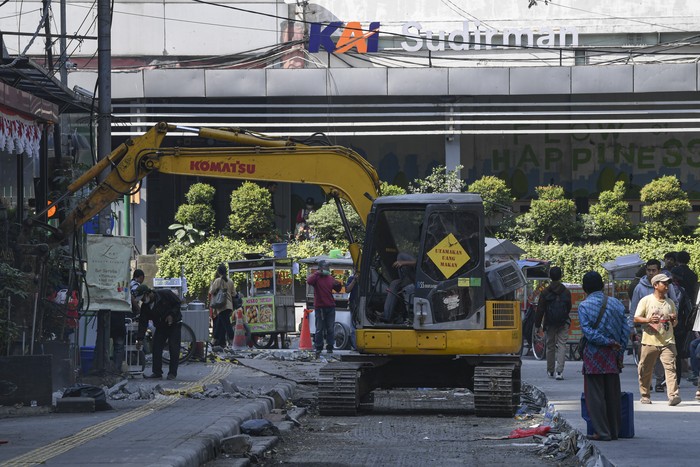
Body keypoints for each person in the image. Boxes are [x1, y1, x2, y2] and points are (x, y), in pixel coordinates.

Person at [578, 271, 630, 441]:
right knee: (613, 394)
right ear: (601, 285)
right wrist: (619, 351)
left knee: (595, 396)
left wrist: (607, 342)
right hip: (613, 354)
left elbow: (588, 332)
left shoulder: (584, 306)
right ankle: (614, 431)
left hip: (594, 355)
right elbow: (625, 330)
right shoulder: (617, 304)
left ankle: (602, 432)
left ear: (585, 288)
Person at [629, 258, 679, 392]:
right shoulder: (640, 288)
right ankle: (646, 384)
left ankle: (660, 382)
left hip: (664, 330)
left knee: (666, 361)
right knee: (645, 360)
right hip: (643, 329)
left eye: (654, 270)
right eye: (649, 270)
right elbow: (634, 309)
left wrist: (673, 316)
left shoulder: (668, 286)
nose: (651, 273)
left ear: (659, 271)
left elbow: (674, 303)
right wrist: (632, 327)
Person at [133, 285, 183, 380]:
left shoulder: (165, 294)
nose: (143, 300)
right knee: (156, 347)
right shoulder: (145, 306)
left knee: (173, 348)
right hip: (160, 326)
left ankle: (172, 373)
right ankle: (157, 372)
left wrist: (171, 315)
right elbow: (143, 322)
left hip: (174, 325)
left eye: (143, 298)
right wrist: (139, 338)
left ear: (148, 293)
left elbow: (177, 303)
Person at [534, 266, 572, 380]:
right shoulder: (566, 291)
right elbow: (568, 307)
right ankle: (559, 372)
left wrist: (537, 325)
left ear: (550, 277)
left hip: (550, 322)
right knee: (562, 345)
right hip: (563, 322)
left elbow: (540, 310)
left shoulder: (545, 292)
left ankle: (550, 371)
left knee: (550, 346)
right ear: (561, 276)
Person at [307, 260, 342, 358]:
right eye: (325, 268)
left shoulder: (330, 278)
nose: (327, 269)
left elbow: (338, 289)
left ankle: (330, 347)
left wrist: (337, 283)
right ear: (320, 268)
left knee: (330, 328)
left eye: (328, 268)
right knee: (319, 328)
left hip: (330, 306)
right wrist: (317, 273)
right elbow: (309, 281)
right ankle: (319, 347)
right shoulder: (316, 278)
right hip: (320, 307)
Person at [381, 252, 416, 323]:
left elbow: (420, 264)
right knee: (394, 284)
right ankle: (386, 316)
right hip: (409, 279)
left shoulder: (428, 248)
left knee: (401, 255)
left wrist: (403, 263)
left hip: (420, 278)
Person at [209, 264, 237, 348]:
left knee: (226, 325)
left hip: (221, 306)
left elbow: (211, 291)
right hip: (229, 305)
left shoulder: (217, 280)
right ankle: (214, 341)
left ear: (218, 272)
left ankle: (233, 341)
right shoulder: (230, 281)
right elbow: (234, 293)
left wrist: (212, 286)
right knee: (220, 324)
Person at [345, 270, 359, 351]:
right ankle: (355, 346)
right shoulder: (351, 278)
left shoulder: (368, 277)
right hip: (354, 304)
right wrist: (354, 280)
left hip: (362, 304)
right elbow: (347, 290)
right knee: (353, 327)